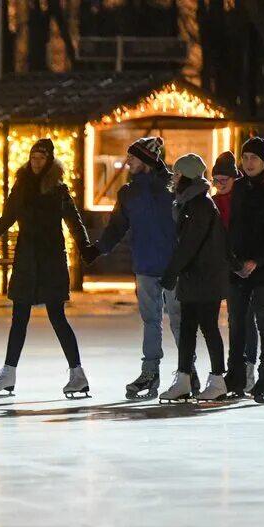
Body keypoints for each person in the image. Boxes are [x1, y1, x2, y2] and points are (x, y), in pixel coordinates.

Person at [0, 138, 94, 399]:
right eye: (33, 156)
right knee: (19, 319)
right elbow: (6, 220)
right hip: (26, 261)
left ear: (50, 160)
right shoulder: (21, 187)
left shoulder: (58, 190)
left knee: (57, 317)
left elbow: (74, 222)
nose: (36, 162)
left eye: (42, 157)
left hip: (50, 261)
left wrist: (86, 248)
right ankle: (8, 373)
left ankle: (77, 374)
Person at [91, 136, 183, 399]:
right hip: (145, 265)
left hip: (173, 266)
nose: (127, 161)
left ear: (146, 160)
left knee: (179, 321)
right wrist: (97, 249)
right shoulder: (128, 192)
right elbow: (116, 227)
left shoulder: (173, 188)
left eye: (132, 158)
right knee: (150, 321)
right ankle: (150, 373)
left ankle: (186, 372)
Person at [157, 154, 231, 402]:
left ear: (187, 176)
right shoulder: (189, 202)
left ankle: (218, 379)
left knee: (208, 327)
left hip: (205, 276)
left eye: (177, 174)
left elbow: (190, 244)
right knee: (188, 329)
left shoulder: (199, 205)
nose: (174, 178)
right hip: (194, 276)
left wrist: (171, 272)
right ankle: (184, 379)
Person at [225, 137, 264, 403]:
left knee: (263, 317)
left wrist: (257, 261)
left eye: (254, 158)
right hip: (238, 266)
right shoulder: (238, 189)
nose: (248, 163)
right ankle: (236, 375)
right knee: (237, 320)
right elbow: (230, 227)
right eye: (245, 157)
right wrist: (234, 260)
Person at [212, 150, 257, 394]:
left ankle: (247, 368)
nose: (220, 185)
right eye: (216, 180)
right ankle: (237, 369)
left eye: (224, 180)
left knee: (246, 319)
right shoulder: (214, 203)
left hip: (246, 266)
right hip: (227, 267)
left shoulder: (244, 199)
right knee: (235, 319)